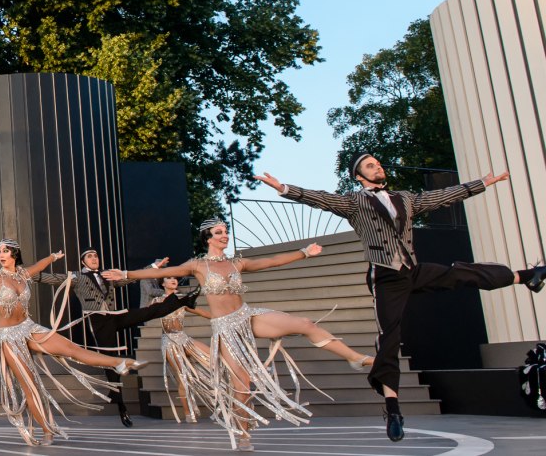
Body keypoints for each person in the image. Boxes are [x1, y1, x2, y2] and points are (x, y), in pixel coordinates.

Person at [256, 156, 546, 442]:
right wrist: (283, 188)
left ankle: (525, 276)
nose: (377, 167)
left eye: (378, 164)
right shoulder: (354, 202)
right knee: (390, 338)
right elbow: (319, 199)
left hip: (412, 270)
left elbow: (441, 197)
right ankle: (393, 410)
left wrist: (482, 183)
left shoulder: (405, 199)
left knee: (459, 274)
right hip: (385, 277)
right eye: (370, 166)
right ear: (358, 176)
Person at [105, 220, 376, 452]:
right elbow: (164, 272)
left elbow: (270, 261)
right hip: (225, 329)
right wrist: (127, 274)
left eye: (226, 231)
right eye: (219, 232)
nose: (225, 236)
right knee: (241, 385)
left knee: (304, 323)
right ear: (208, 238)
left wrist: (303, 252)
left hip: (248, 316)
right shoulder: (198, 265)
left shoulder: (237, 262)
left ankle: (355, 358)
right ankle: (244, 432)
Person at [0, 240, 146, 447]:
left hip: (29, 327)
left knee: (71, 349)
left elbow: (39, 266)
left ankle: (119, 362)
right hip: (9, 337)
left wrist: (52, 257)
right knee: (31, 385)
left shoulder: (24, 274)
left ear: (15, 254)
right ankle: (47, 430)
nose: (1, 254)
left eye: (5, 251)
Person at [33, 249, 197, 427]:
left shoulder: (108, 276)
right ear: (83, 262)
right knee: (111, 362)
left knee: (146, 312)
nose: (94, 258)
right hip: (97, 320)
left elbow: (131, 278)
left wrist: (154, 266)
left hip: (114, 316)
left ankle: (183, 301)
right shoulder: (77, 277)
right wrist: (27, 272)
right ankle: (121, 406)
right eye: (89, 256)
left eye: (96, 256)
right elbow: (48, 279)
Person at [151, 274, 213, 423]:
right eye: (168, 278)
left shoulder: (182, 300)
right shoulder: (156, 301)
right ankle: (188, 414)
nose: (173, 280)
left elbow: (201, 312)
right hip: (169, 341)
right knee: (183, 378)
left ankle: (220, 403)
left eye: (175, 278)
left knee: (213, 359)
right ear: (162, 283)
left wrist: (221, 318)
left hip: (184, 338)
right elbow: (141, 314)